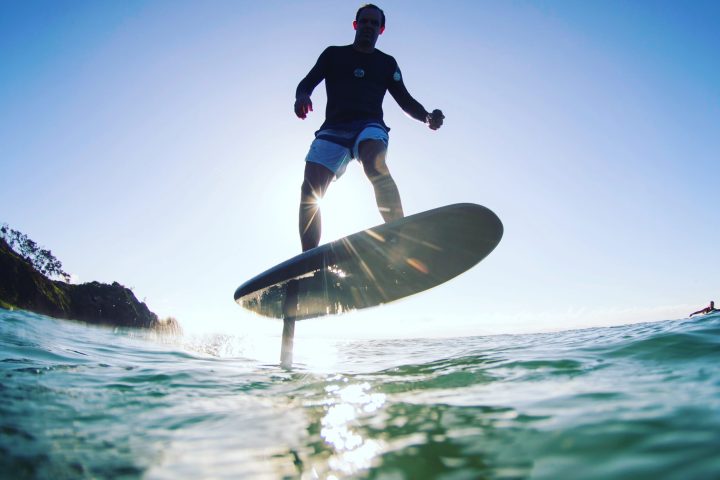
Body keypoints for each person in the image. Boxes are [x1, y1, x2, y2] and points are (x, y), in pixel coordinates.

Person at [294, 4, 444, 252]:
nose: (368, 27)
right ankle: (308, 258)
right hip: (333, 129)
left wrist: (427, 117)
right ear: (355, 25)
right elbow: (306, 83)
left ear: (381, 29)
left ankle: (399, 235)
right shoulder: (333, 55)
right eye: (364, 22)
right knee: (310, 190)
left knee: (374, 163)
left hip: (369, 125)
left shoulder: (386, 63)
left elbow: (405, 100)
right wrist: (302, 96)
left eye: (374, 23)